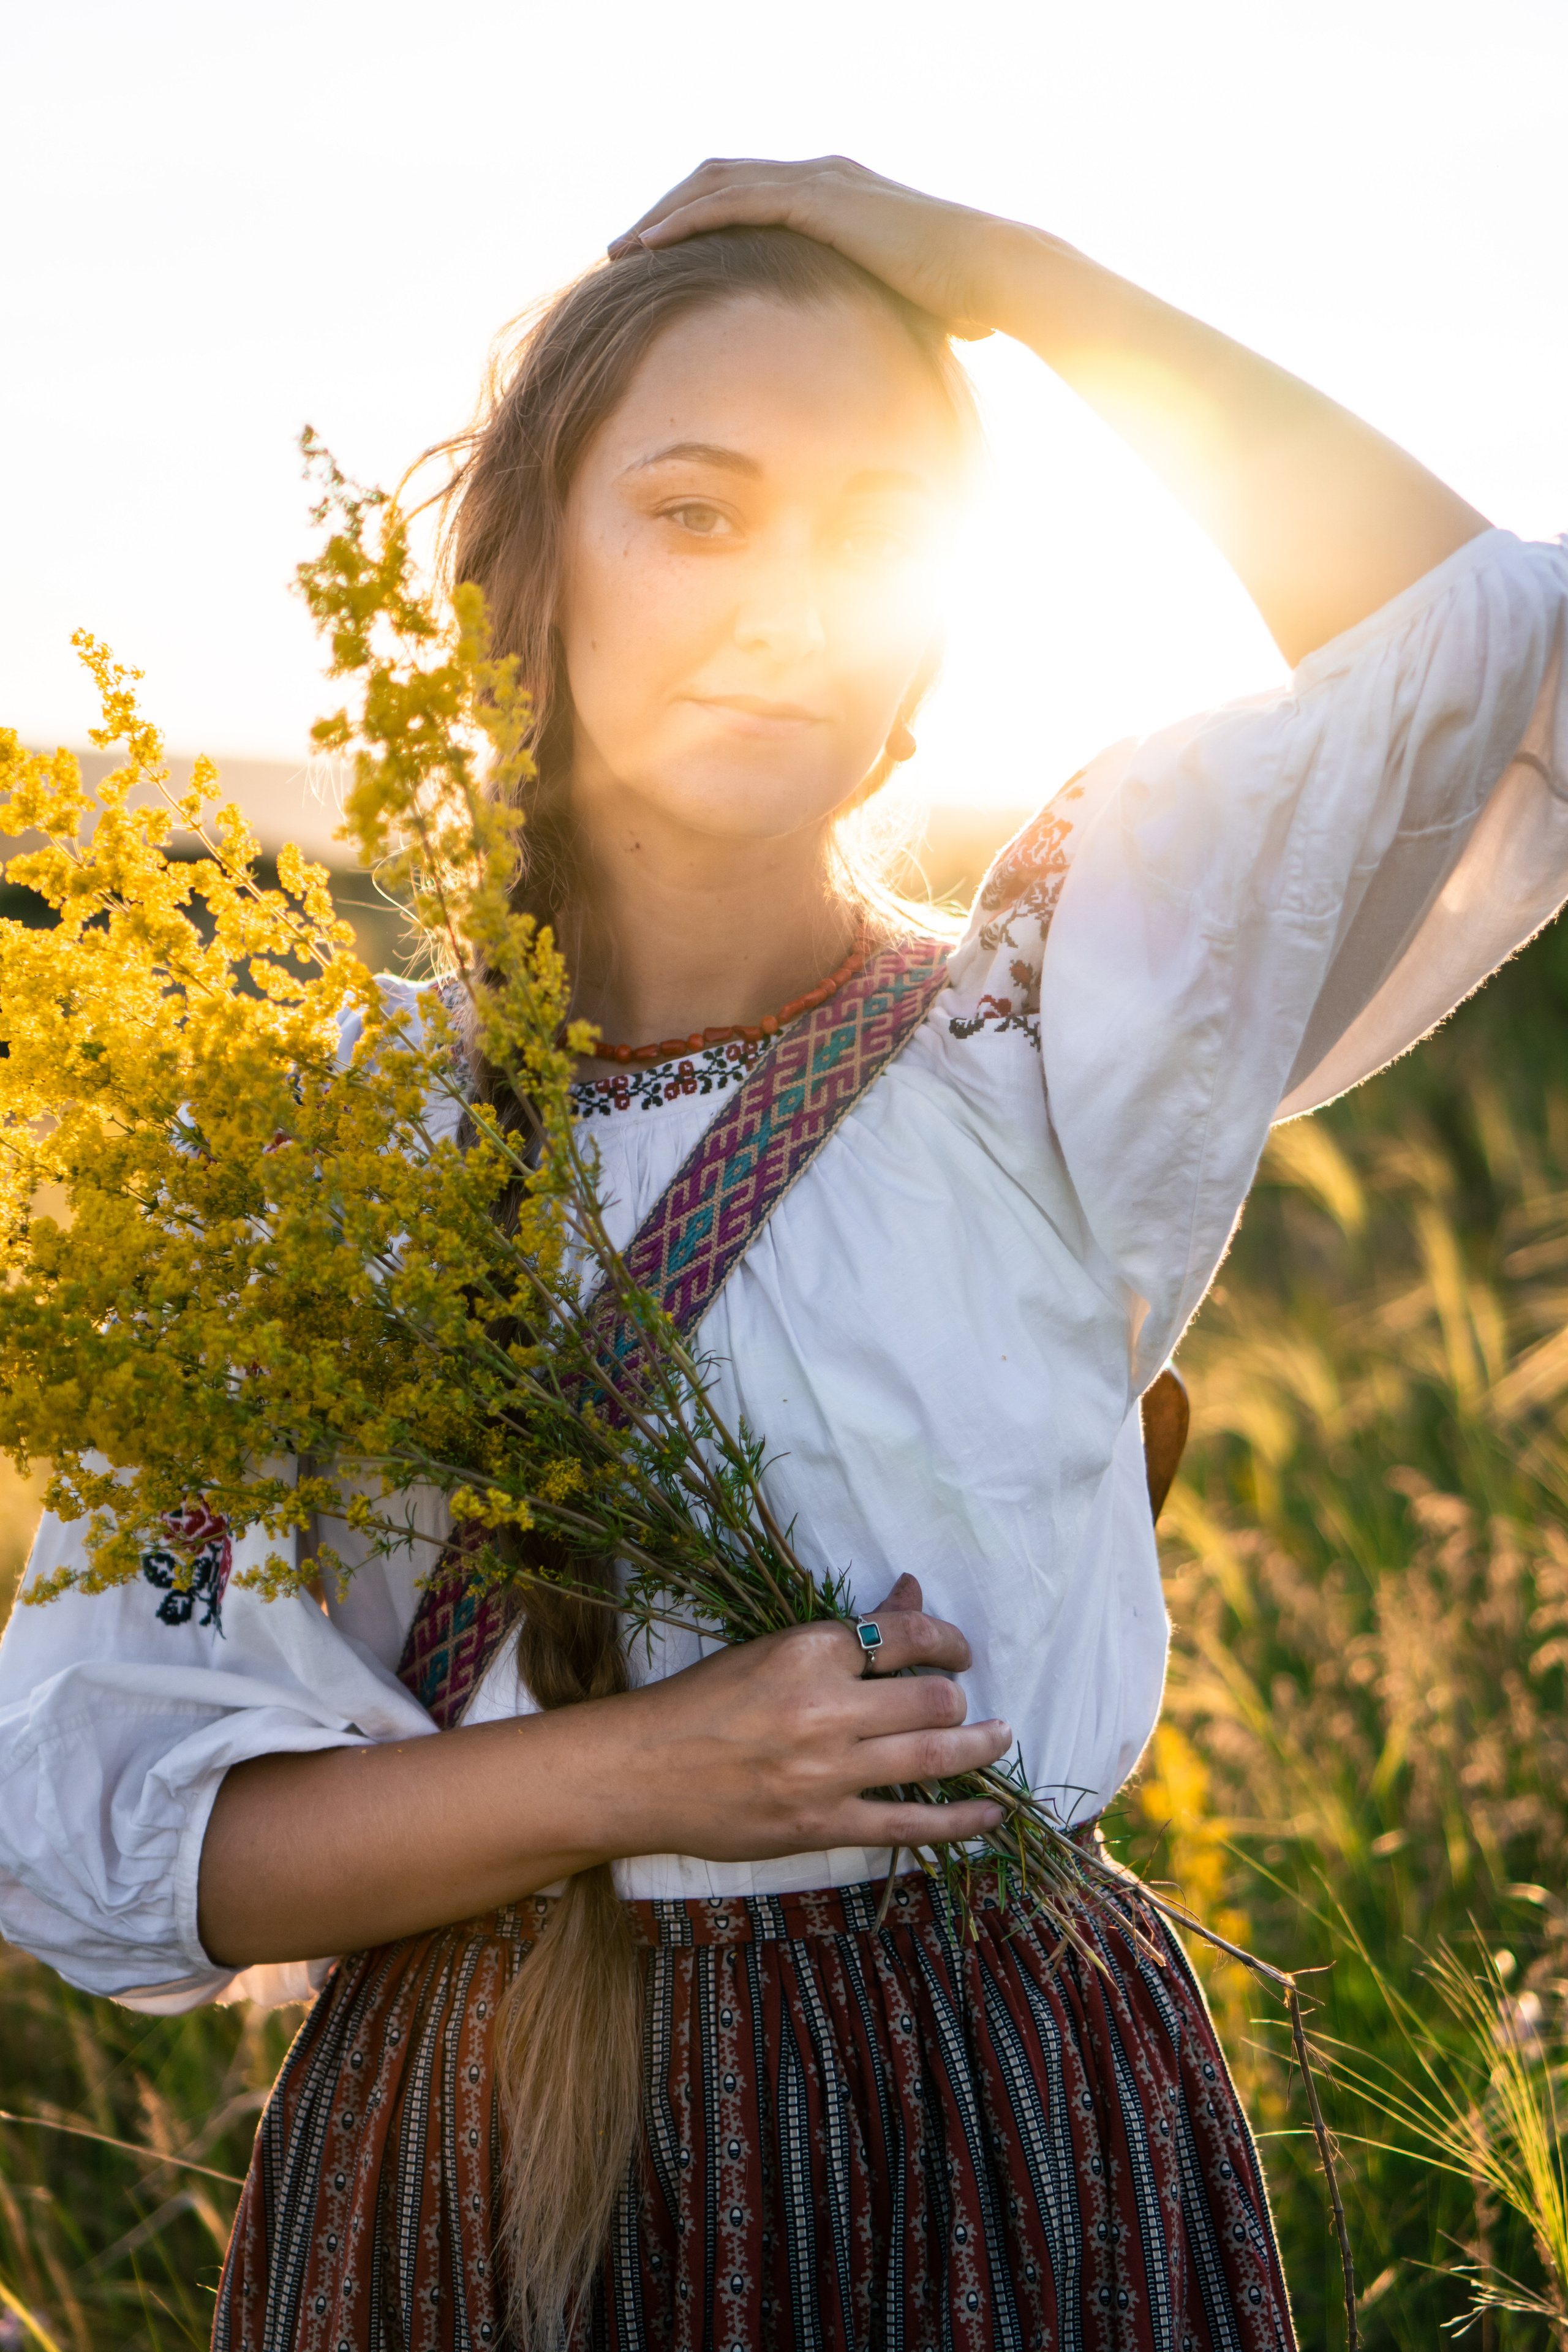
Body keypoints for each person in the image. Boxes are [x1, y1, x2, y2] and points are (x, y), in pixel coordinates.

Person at [2, 154, 1566, 2352]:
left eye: (874, 532)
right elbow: (107, 1828)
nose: (787, 605)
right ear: (531, 566)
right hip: (478, 2187)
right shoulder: (296, 1155)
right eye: (700, 511)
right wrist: (654, 1776)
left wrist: (1020, 280)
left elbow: (1500, 658)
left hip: (1010, 2137)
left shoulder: (1044, 1027)